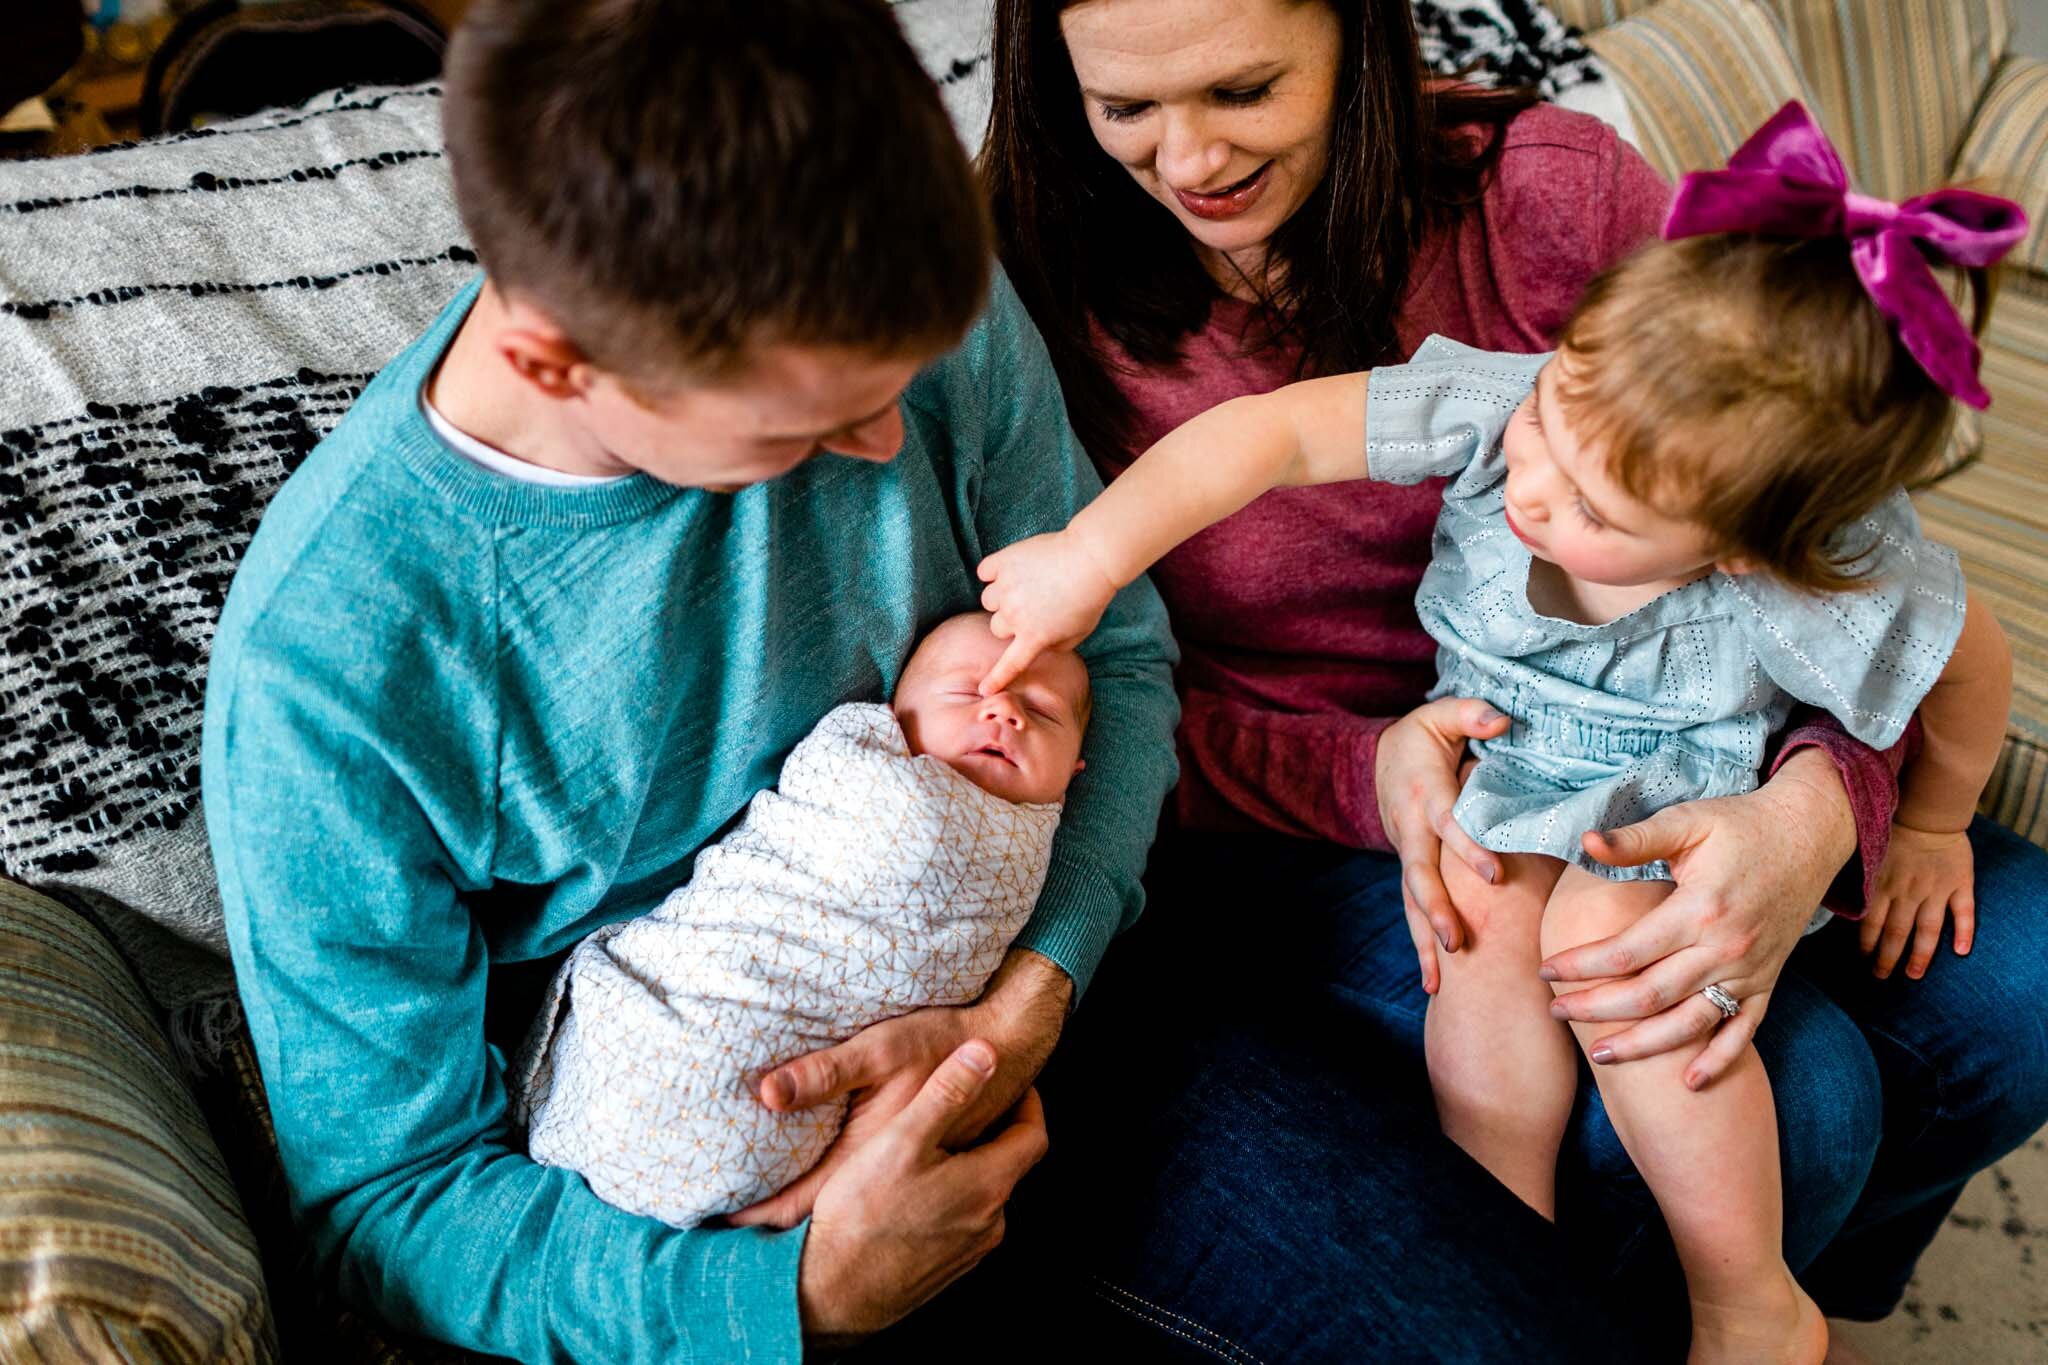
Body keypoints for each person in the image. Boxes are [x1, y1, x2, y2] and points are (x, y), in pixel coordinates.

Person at [914, 0, 2048, 1357]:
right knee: (1792, 1095)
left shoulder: (1569, 222)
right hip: (1314, 805)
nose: (1191, 157)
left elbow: (1873, 571)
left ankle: (1760, 1302)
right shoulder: (1494, 396)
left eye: (1245, 87)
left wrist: (1833, 813)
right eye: (1127, 110)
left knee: (2017, 966)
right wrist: (1095, 562)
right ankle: (1525, 1261)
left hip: (1684, 766)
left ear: (1354, 40)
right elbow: (1262, 447)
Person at [199, 1, 1179, 1358]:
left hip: (1066, 1014)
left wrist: (1023, 1005)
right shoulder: (334, 665)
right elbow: (383, 1200)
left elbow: (1118, 655)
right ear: (553, 356)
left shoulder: (884, 280)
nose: (891, 437)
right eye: (810, 423)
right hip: (699, 1249)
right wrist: (798, 1296)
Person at [514, 612, 1091, 1229]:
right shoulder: (861, 769)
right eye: (968, 693)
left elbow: (1132, 651)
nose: (1005, 713)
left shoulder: (1034, 832)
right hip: (713, 979)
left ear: (1077, 771)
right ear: (893, 717)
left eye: (1044, 712)